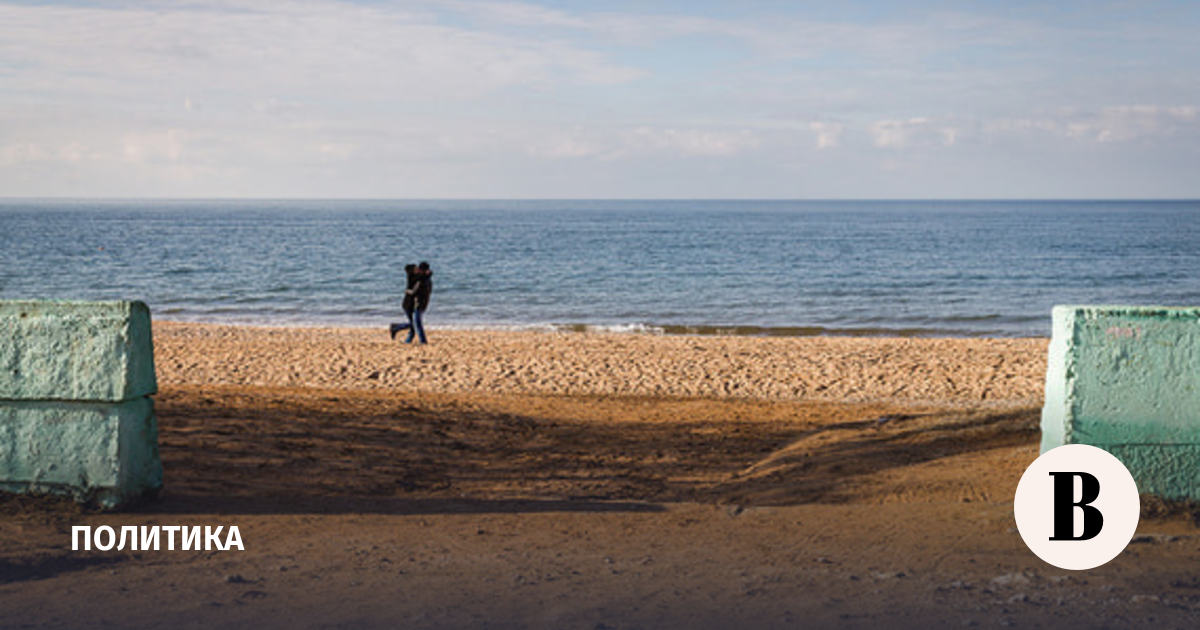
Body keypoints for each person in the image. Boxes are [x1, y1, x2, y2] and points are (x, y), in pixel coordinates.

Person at [405, 261, 432, 344]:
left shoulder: (421, 280)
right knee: (415, 323)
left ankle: (422, 341)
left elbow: (414, 291)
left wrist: (407, 291)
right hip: (421, 303)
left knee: (416, 323)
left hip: (419, 303)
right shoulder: (426, 279)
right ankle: (412, 340)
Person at [389, 264, 418, 341]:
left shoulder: (412, 278)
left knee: (413, 325)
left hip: (409, 304)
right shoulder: (413, 278)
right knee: (413, 325)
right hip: (408, 304)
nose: (417, 270)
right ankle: (396, 328)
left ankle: (407, 340)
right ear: (412, 271)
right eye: (416, 269)